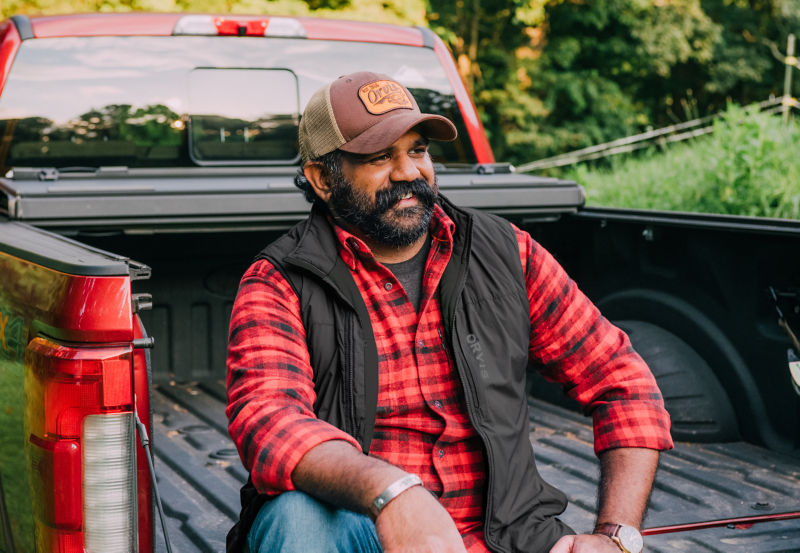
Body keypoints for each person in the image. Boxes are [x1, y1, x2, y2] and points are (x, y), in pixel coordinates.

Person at [226, 71, 673, 553]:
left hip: (512, 540)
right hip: (365, 533)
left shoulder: (507, 253)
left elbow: (621, 381)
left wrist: (616, 536)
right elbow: (270, 422)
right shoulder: (280, 281)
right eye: (380, 157)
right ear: (322, 179)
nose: (408, 172)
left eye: (417, 150)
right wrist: (393, 495)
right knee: (298, 520)